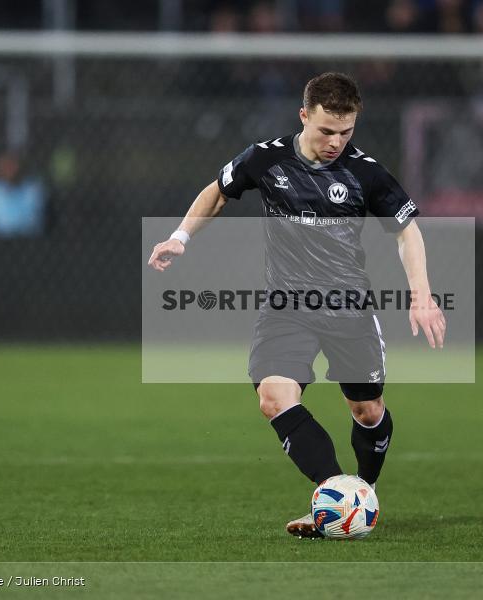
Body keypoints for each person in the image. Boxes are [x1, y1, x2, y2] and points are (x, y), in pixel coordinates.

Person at [147, 72, 445, 538]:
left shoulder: (364, 171)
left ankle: (361, 491)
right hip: (285, 306)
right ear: (304, 116)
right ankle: (334, 492)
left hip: (349, 309)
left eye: (346, 132)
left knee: (367, 411)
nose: (336, 142)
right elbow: (218, 192)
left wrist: (421, 295)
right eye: (327, 130)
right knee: (273, 397)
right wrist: (180, 237)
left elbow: (407, 231)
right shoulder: (267, 159)